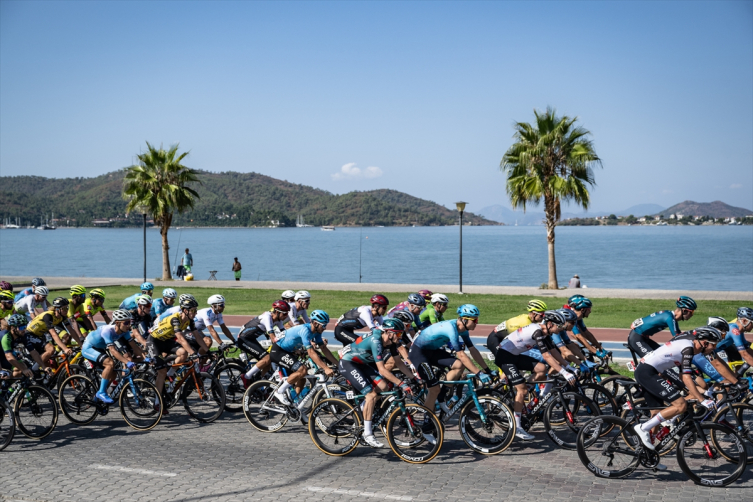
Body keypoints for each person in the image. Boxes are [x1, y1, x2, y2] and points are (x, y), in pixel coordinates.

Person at [631, 327, 722, 450]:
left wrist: (704, 392)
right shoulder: (688, 349)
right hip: (647, 373)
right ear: (705, 343)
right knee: (681, 405)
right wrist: (702, 400)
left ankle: (649, 454)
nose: (715, 348)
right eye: (714, 345)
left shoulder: (688, 345)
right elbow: (686, 378)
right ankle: (643, 428)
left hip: (648, 371)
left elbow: (682, 377)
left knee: (656, 413)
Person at [494, 310, 576, 441]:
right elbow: (546, 356)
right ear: (549, 324)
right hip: (504, 357)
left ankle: (522, 391)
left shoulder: (544, 332)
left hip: (514, 355)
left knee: (541, 369)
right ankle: (517, 427)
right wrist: (564, 372)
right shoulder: (537, 332)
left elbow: (553, 351)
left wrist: (568, 366)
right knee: (522, 389)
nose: (560, 329)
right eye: (558, 326)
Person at [338, 318, 417, 448]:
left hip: (361, 363)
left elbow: (398, 362)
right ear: (389, 333)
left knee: (383, 387)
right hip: (348, 363)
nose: (400, 337)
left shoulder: (391, 341)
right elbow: (382, 370)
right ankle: (367, 434)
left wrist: (413, 378)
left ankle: (363, 411)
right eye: (398, 334)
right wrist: (401, 384)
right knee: (371, 395)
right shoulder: (376, 341)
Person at [409, 304, 492, 417]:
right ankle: (427, 423)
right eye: (475, 320)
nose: (477, 322)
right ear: (464, 320)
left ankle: (441, 398)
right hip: (419, 352)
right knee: (434, 388)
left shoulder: (463, 330)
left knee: (458, 365)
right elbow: (462, 355)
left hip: (432, 351)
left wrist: (487, 370)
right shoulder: (451, 328)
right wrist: (478, 373)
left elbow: (473, 350)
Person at [267, 310, 337, 406]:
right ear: (315, 323)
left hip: (289, 351)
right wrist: (325, 368)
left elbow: (324, 349)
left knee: (302, 378)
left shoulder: (317, 332)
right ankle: (279, 392)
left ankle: (294, 402)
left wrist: (338, 364)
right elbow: (311, 352)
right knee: (302, 369)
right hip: (278, 351)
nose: (325, 328)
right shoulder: (305, 330)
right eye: (323, 325)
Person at [148, 297, 207, 410]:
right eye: (193, 310)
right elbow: (180, 338)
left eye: (196, 310)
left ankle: (170, 375)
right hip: (154, 341)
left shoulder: (190, 320)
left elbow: (197, 336)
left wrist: (207, 351)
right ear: (185, 310)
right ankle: (157, 402)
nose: (196, 312)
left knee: (183, 353)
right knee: (161, 371)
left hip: (166, 341)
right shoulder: (175, 319)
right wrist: (193, 353)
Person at [81, 309, 146, 404]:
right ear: (117, 323)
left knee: (114, 372)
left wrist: (145, 357)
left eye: (130, 322)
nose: (129, 325)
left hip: (99, 348)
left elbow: (134, 346)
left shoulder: (125, 331)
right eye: (126, 322)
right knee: (110, 363)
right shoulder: (107, 331)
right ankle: (102, 392)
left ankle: (98, 395)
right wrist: (127, 362)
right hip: (88, 347)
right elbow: (113, 350)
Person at [238, 301, 291, 387]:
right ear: (277, 312)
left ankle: (259, 383)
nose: (287, 316)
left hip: (251, 339)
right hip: (243, 339)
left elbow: (285, 334)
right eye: (285, 314)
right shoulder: (267, 317)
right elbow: (272, 336)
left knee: (268, 362)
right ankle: (246, 376)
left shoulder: (278, 320)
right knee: (267, 358)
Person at [627, 296, 696, 357]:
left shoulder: (670, 316)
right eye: (692, 312)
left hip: (643, 338)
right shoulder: (669, 318)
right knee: (653, 359)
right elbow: (677, 337)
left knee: (662, 355)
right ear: (684, 311)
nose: (692, 315)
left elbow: (680, 335)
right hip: (637, 339)